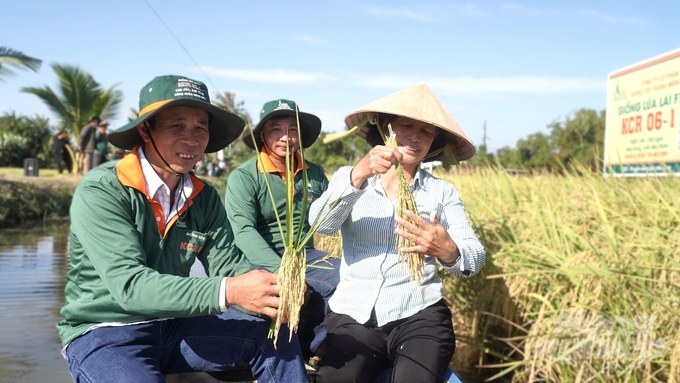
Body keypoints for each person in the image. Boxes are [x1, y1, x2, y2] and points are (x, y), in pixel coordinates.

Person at [57, 75, 308, 383]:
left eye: (200, 128)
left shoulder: (203, 197)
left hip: (173, 325)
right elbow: (131, 287)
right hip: (105, 331)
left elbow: (229, 265)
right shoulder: (104, 190)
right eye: (176, 126)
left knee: (276, 337)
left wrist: (275, 294)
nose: (192, 140)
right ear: (145, 129)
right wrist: (231, 291)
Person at [309, 84, 486, 383]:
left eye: (426, 131)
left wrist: (448, 251)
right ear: (385, 126)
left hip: (419, 314)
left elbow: (475, 257)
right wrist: (359, 174)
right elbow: (320, 225)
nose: (415, 136)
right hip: (354, 315)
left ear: (434, 141)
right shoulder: (348, 176)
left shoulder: (441, 192)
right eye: (406, 125)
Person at [225, 99, 340, 365]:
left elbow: (333, 216)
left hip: (306, 254)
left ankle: (318, 347)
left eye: (293, 130)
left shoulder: (316, 174)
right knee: (277, 295)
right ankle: (278, 353)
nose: (285, 138)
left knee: (346, 280)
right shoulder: (245, 176)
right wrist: (282, 271)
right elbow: (243, 231)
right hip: (261, 255)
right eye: (276, 130)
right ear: (263, 135)